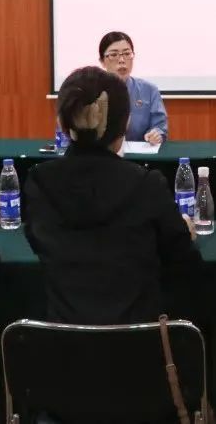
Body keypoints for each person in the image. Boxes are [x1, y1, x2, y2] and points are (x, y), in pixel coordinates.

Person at [25, 66, 200, 325]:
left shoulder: (40, 182)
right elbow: (184, 260)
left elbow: (37, 242)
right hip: (140, 340)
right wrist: (183, 230)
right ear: (126, 123)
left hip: (63, 341)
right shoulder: (146, 184)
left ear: (61, 123)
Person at [98, 31, 168, 144]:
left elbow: (160, 127)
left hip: (140, 153)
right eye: (114, 55)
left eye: (127, 54)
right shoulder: (91, 90)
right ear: (102, 61)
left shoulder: (149, 90)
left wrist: (155, 134)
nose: (122, 60)